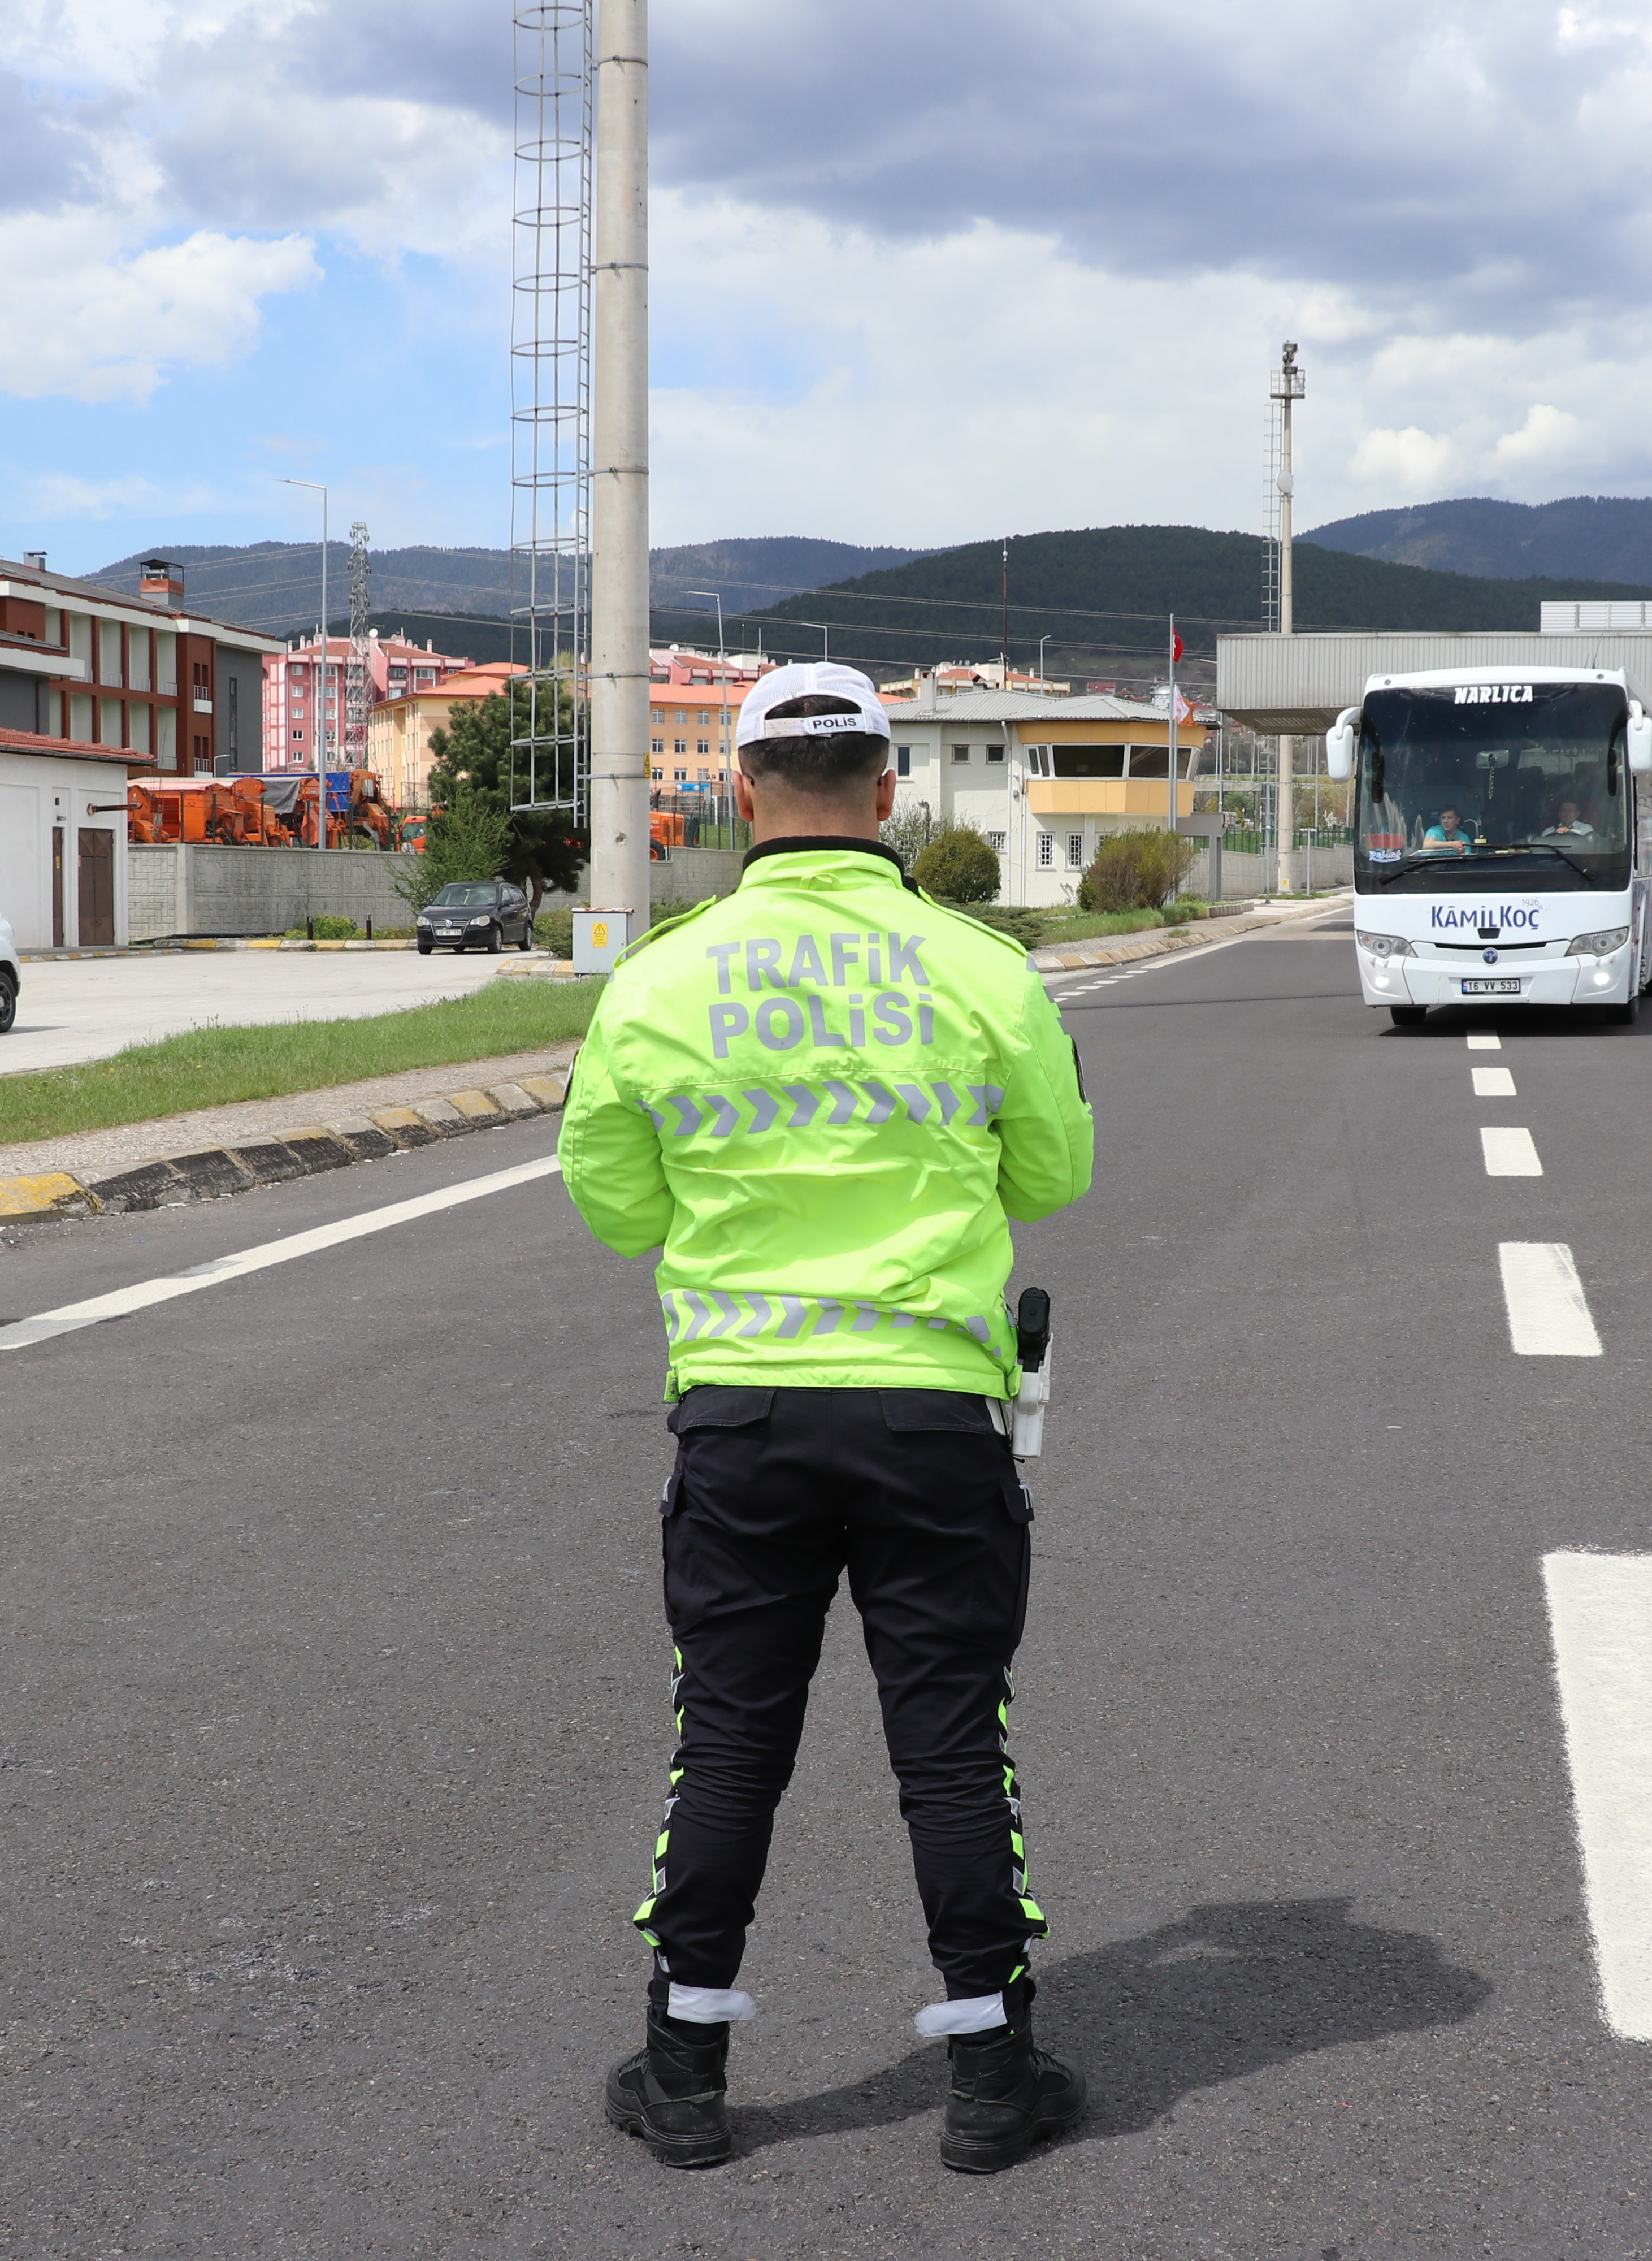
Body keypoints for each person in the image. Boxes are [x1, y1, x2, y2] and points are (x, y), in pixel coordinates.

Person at [558, 661, 1098, 2175]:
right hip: (933, 1409)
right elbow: (1052, 1177)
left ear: (737, 792)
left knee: (728, 1736)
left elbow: (616, 1205)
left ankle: (683, 2073)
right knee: (948, 1739)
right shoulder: (983, 968)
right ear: (886, 792)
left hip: (742, 1416)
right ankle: (991, 2079)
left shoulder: (657, 982)